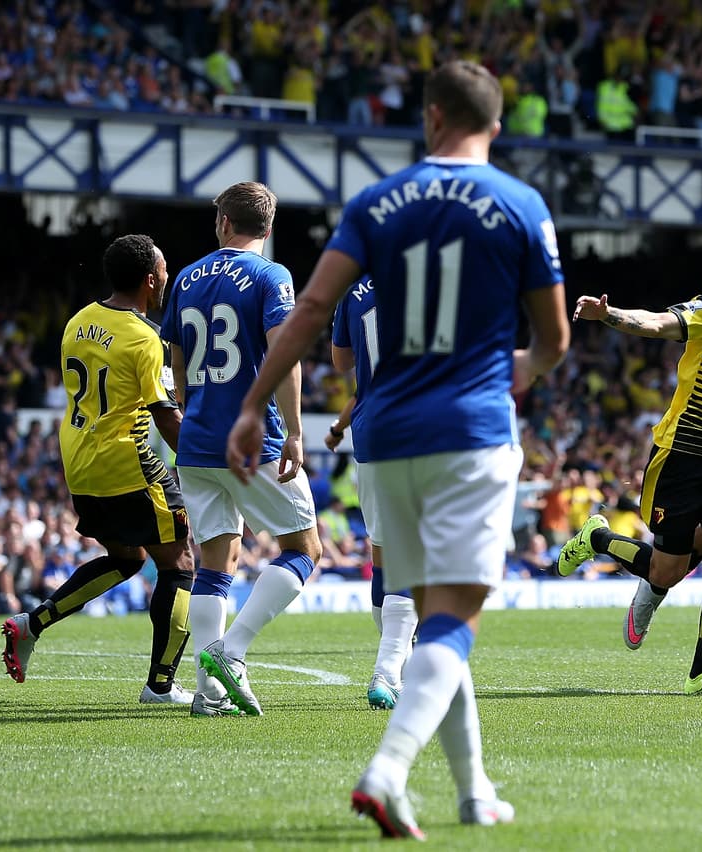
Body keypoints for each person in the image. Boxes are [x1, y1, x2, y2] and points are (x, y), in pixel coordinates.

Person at [225, 60, 569, 840]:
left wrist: (255, 404)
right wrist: (526, 368)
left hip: (386, 438)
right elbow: (552, 338)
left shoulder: (377, 201)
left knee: (432, 613)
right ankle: (385, 772)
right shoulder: (519, 202)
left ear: (432, 117)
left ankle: (474, 790)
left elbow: (313, 308)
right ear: (495, 124)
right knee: (454, 622)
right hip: (471, 432)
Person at [560, 226, 702, 696]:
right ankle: (598, 537)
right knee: (666, 571)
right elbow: (659, 322)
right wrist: (610, 316)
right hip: (680, 456)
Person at [0, 234, 195, 705]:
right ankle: (161, 686)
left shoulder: (78, 322)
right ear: (151, 279)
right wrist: (202, 464)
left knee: (128, 559)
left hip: (82, 464)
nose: (167, 275)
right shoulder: (144, 337)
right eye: (165, 268)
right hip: (128, 462)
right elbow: (165, 414)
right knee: (181, 563)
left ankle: (30, 625)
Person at [160, 181, 324, 717]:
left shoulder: (185, 276)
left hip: (198, 440)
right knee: (304, 550)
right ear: (268, 228)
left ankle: (209, 693)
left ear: (224, 223)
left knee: (218, 560)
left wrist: (192, 415)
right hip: (254, 439)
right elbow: (286, 353)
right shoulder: (271, 276)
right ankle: (230, 654)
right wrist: (295, 430)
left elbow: (178, 364)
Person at [323, 274, 419, 711]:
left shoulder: (355, 290)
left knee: (383, 551)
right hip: (419, 429)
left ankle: (398, 661)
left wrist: (341, 424)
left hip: (370, 434)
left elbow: (345, 363)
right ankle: (387, 670)